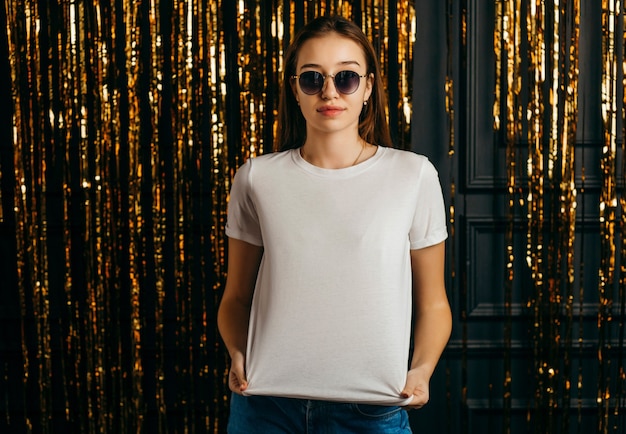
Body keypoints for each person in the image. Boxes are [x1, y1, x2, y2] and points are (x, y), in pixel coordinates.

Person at [217, 15, 452, 433]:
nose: (329, 91)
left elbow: (433, 303)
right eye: (313, 78)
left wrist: (421, 371)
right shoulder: (256, 177)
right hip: (265, 408)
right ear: (295, 89)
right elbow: (236, 297)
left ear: (368, 87)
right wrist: (237, 352)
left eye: (345, 77)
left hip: (371, 411)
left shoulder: (413, 176)